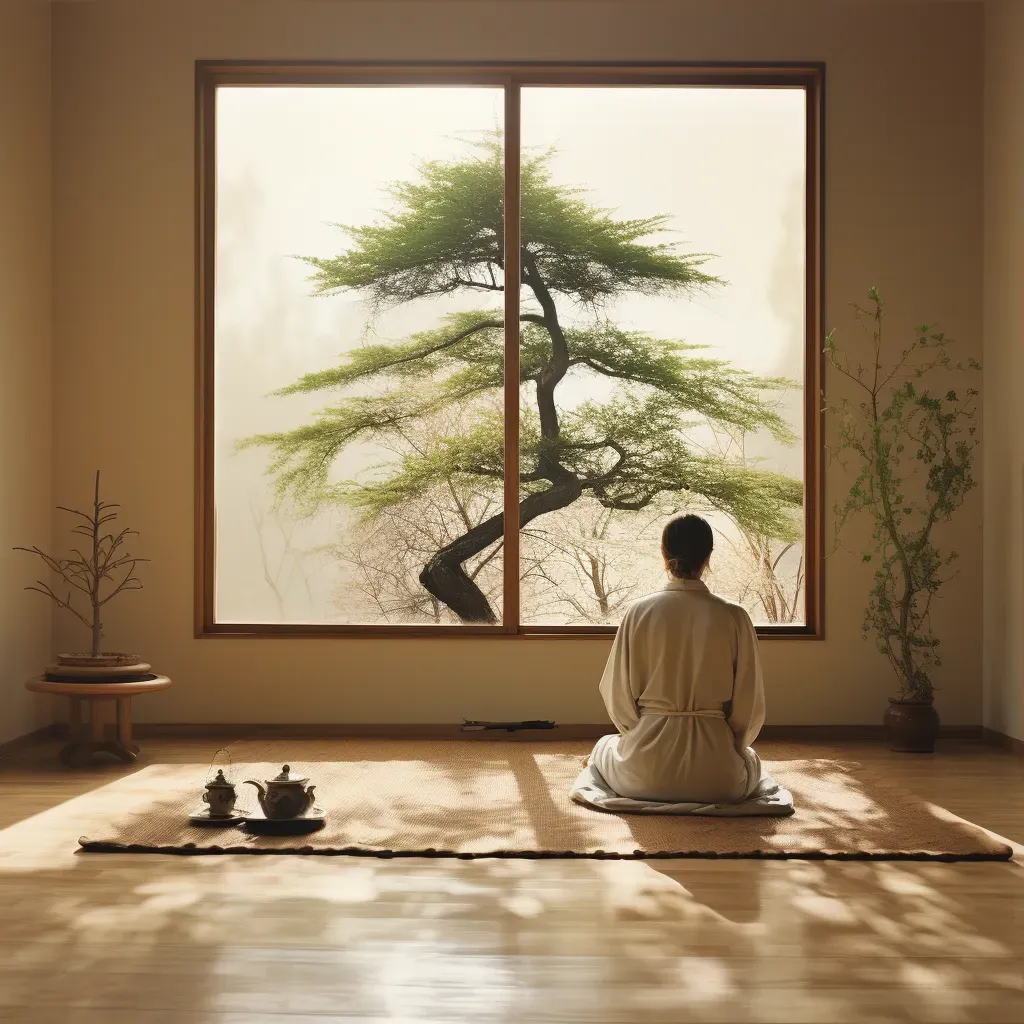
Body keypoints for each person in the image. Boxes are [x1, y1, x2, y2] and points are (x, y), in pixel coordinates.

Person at [584, 513, 766, 805]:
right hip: (719, 781)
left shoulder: (638, 611)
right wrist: (732, 746)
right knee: (751, 760)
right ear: (708, 556)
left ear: (663, 553)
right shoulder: (735, 615)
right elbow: (749, 704)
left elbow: (616, 693)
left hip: (642, 776)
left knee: (605, 746)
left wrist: (638, 734)